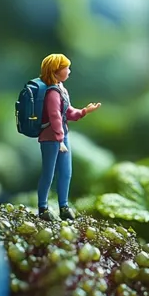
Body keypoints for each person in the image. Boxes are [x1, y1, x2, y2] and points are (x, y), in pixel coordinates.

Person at [37, 53, 101, 220]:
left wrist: (84, 111)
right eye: (66, 68)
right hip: (51, 137)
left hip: (62, 135)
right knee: (49, 173)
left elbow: (68, 112)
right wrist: (59, 139)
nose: (69, 71)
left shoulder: (62, 90)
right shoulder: (52, 93)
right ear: (56, 71)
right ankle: (42, 208)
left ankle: (63, 206)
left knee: (66, 172)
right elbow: (54, 116)